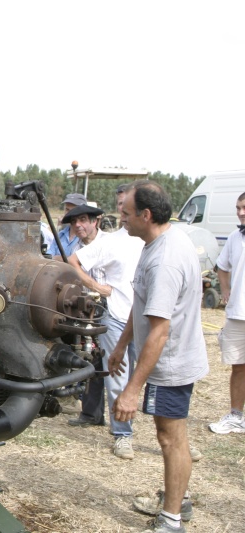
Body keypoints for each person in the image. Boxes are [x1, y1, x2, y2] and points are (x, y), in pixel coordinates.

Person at [109, 180, 208, 533]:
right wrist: (121, 346)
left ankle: (171, 519)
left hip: (171, 363)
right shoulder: (163, 239)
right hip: (169, 356)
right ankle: (177, 500)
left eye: (126, 213)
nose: (121, 218)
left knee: (170, 437)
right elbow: (141, 301)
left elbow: (160, 332)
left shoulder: (164, 260)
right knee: (172, 435)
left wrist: (132, 390)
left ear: (146, 215)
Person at [66, 185, 144, 460]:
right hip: (119, 317)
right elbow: (72, 261)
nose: (124, 213)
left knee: (157, 378)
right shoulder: (111, 242)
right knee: (118, 377)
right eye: (122, 207)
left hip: (149, 320)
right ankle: (123, 434)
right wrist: (97, 286)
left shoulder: (156, 241)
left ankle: (172, 433)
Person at [208, 191, 245, 435]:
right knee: (239, 367)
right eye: (238, 208)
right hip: (238, 314)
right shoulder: (234, 237)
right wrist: (226, 290)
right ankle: (236, 416)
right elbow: (222, 266)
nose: (241, 213)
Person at [46, 192, 87, 257]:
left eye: (73, 210)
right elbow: (49, 256)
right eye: (67, 209)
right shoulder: (60, 235)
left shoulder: (85, 237)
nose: (69, 213)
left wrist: (58, 259)